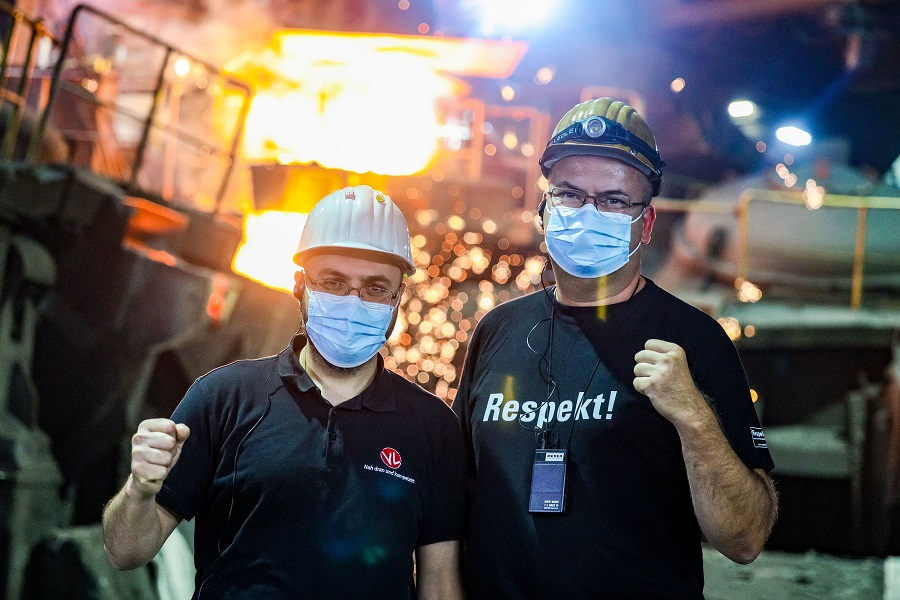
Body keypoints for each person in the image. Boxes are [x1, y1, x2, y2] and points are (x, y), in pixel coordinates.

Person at [453, 97, 778, 599]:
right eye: (568, 194)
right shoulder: (497, 330)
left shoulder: (693, 340)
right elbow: (460, 497)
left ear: (645, 225)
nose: (586, 213)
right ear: (544, 208)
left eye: (612, 199)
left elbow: (744, 538)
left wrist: (694, 416)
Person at [102, 185, 467, 599]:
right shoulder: (223, 399)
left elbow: (439, 586)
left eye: (374, 288)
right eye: (333, 282)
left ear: (398, 296)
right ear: (300, 284)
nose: (353, 301)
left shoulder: (433, 426)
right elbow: (125, 552)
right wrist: (139, 490)